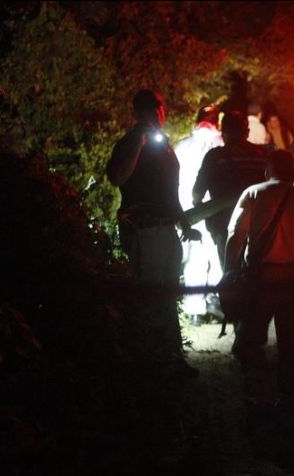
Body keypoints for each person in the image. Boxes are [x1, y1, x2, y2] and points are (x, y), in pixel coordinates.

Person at [223, 150, 294, 434]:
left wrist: (229, 272)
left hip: (263, 278)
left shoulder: (254, 194)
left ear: (268, 170)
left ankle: (258, 400)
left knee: (252, 342)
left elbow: (235, 238)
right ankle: (291, 403)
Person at [106, 89, 199, 379]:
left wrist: (183, 220)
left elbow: (169, 190)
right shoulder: (133, 141)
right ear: (151, 111)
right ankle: (149, 361)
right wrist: (138, 143)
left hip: (166, 228)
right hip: (145, 229)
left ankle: (169, 357)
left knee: (166, 295)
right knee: (151, 296)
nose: (162, 113)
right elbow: (116, 177)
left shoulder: (163, 144)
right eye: (160, 107)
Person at [192, 111, 267, 267]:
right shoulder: (263, 155)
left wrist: (201, 209)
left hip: (225, 226)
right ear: (246, 131)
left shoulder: (215, 156)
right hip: (261, 225)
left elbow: (197, 193)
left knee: (230, 274)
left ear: (222, 131)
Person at [175, 105, 224, 325]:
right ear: (217, 123)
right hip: (217, 208)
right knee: (218, 253)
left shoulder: (182, 146)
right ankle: (215, 300)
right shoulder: (221, 145)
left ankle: (195, 310)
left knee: (194, 257)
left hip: (189, 208)